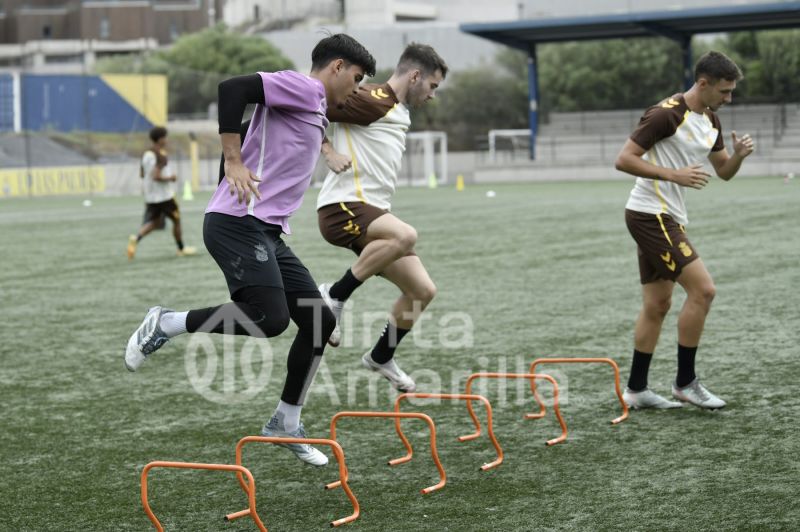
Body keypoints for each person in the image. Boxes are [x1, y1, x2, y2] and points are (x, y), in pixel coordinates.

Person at [124, 34, 376, 465]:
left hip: (267, 230)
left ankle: (286, 422)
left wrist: (327, 149)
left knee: (317, 322)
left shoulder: (314, 106)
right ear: (336, 67)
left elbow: (268, 128)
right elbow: (232, 89)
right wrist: (233, 160)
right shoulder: (306, 87)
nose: (355, 89)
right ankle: (167, 322)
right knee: (270, 318)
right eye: (355, 79)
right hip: (236, 223)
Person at [615, 51, 754, 410]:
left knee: (657, 304)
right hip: (650, 214)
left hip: (668, 217)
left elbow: (722, 171)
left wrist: (737, 155)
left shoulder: (712, 121)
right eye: (724, 92)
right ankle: (685, 383)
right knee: (704, 291)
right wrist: (673, 175)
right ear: (703, 83)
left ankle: (636, 389)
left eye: (731, 92)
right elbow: (624, 159)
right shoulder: (665, 114)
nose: (729, 99)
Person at [315, 43, 447, 393]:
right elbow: (309, 108)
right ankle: (334, 295)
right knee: (406, 235)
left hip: (371, 212)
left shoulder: (396, 109)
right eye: (432, 86)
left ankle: (381, 356)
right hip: (342, 206)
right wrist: (326, 150)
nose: (432, 95)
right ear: (415, 75)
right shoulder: (373, 97)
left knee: (422, 290)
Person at [126, 126, 197, 259]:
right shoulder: (160, 155)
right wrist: (171, 178)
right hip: (165, 196)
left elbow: (142, 174)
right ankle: (181, 248)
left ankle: (136, 238)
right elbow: (156, 176)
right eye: (165, 137)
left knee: (156, 222)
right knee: (176, 220)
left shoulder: (146, 154)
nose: (167, 140)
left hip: (150, 196)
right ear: (160, 139)